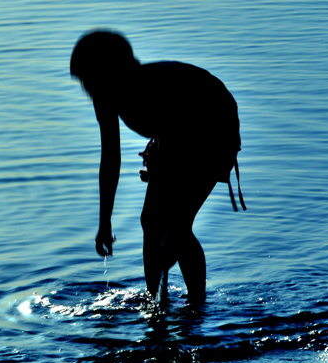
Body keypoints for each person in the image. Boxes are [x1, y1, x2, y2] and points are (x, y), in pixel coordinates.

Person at [69, 30, 242, 304]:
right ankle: (155, 306)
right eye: (81, 81)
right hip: (174, 139)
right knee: (151, 222)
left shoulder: (152, 87)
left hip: (215, 128)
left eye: (87, 79)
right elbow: (111, 158)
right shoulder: (106, 95)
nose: (85, 89)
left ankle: (196, 305)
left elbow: (184, 146)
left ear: (109, 71)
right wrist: (104, 222)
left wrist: (163, 166)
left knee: (176, 227)